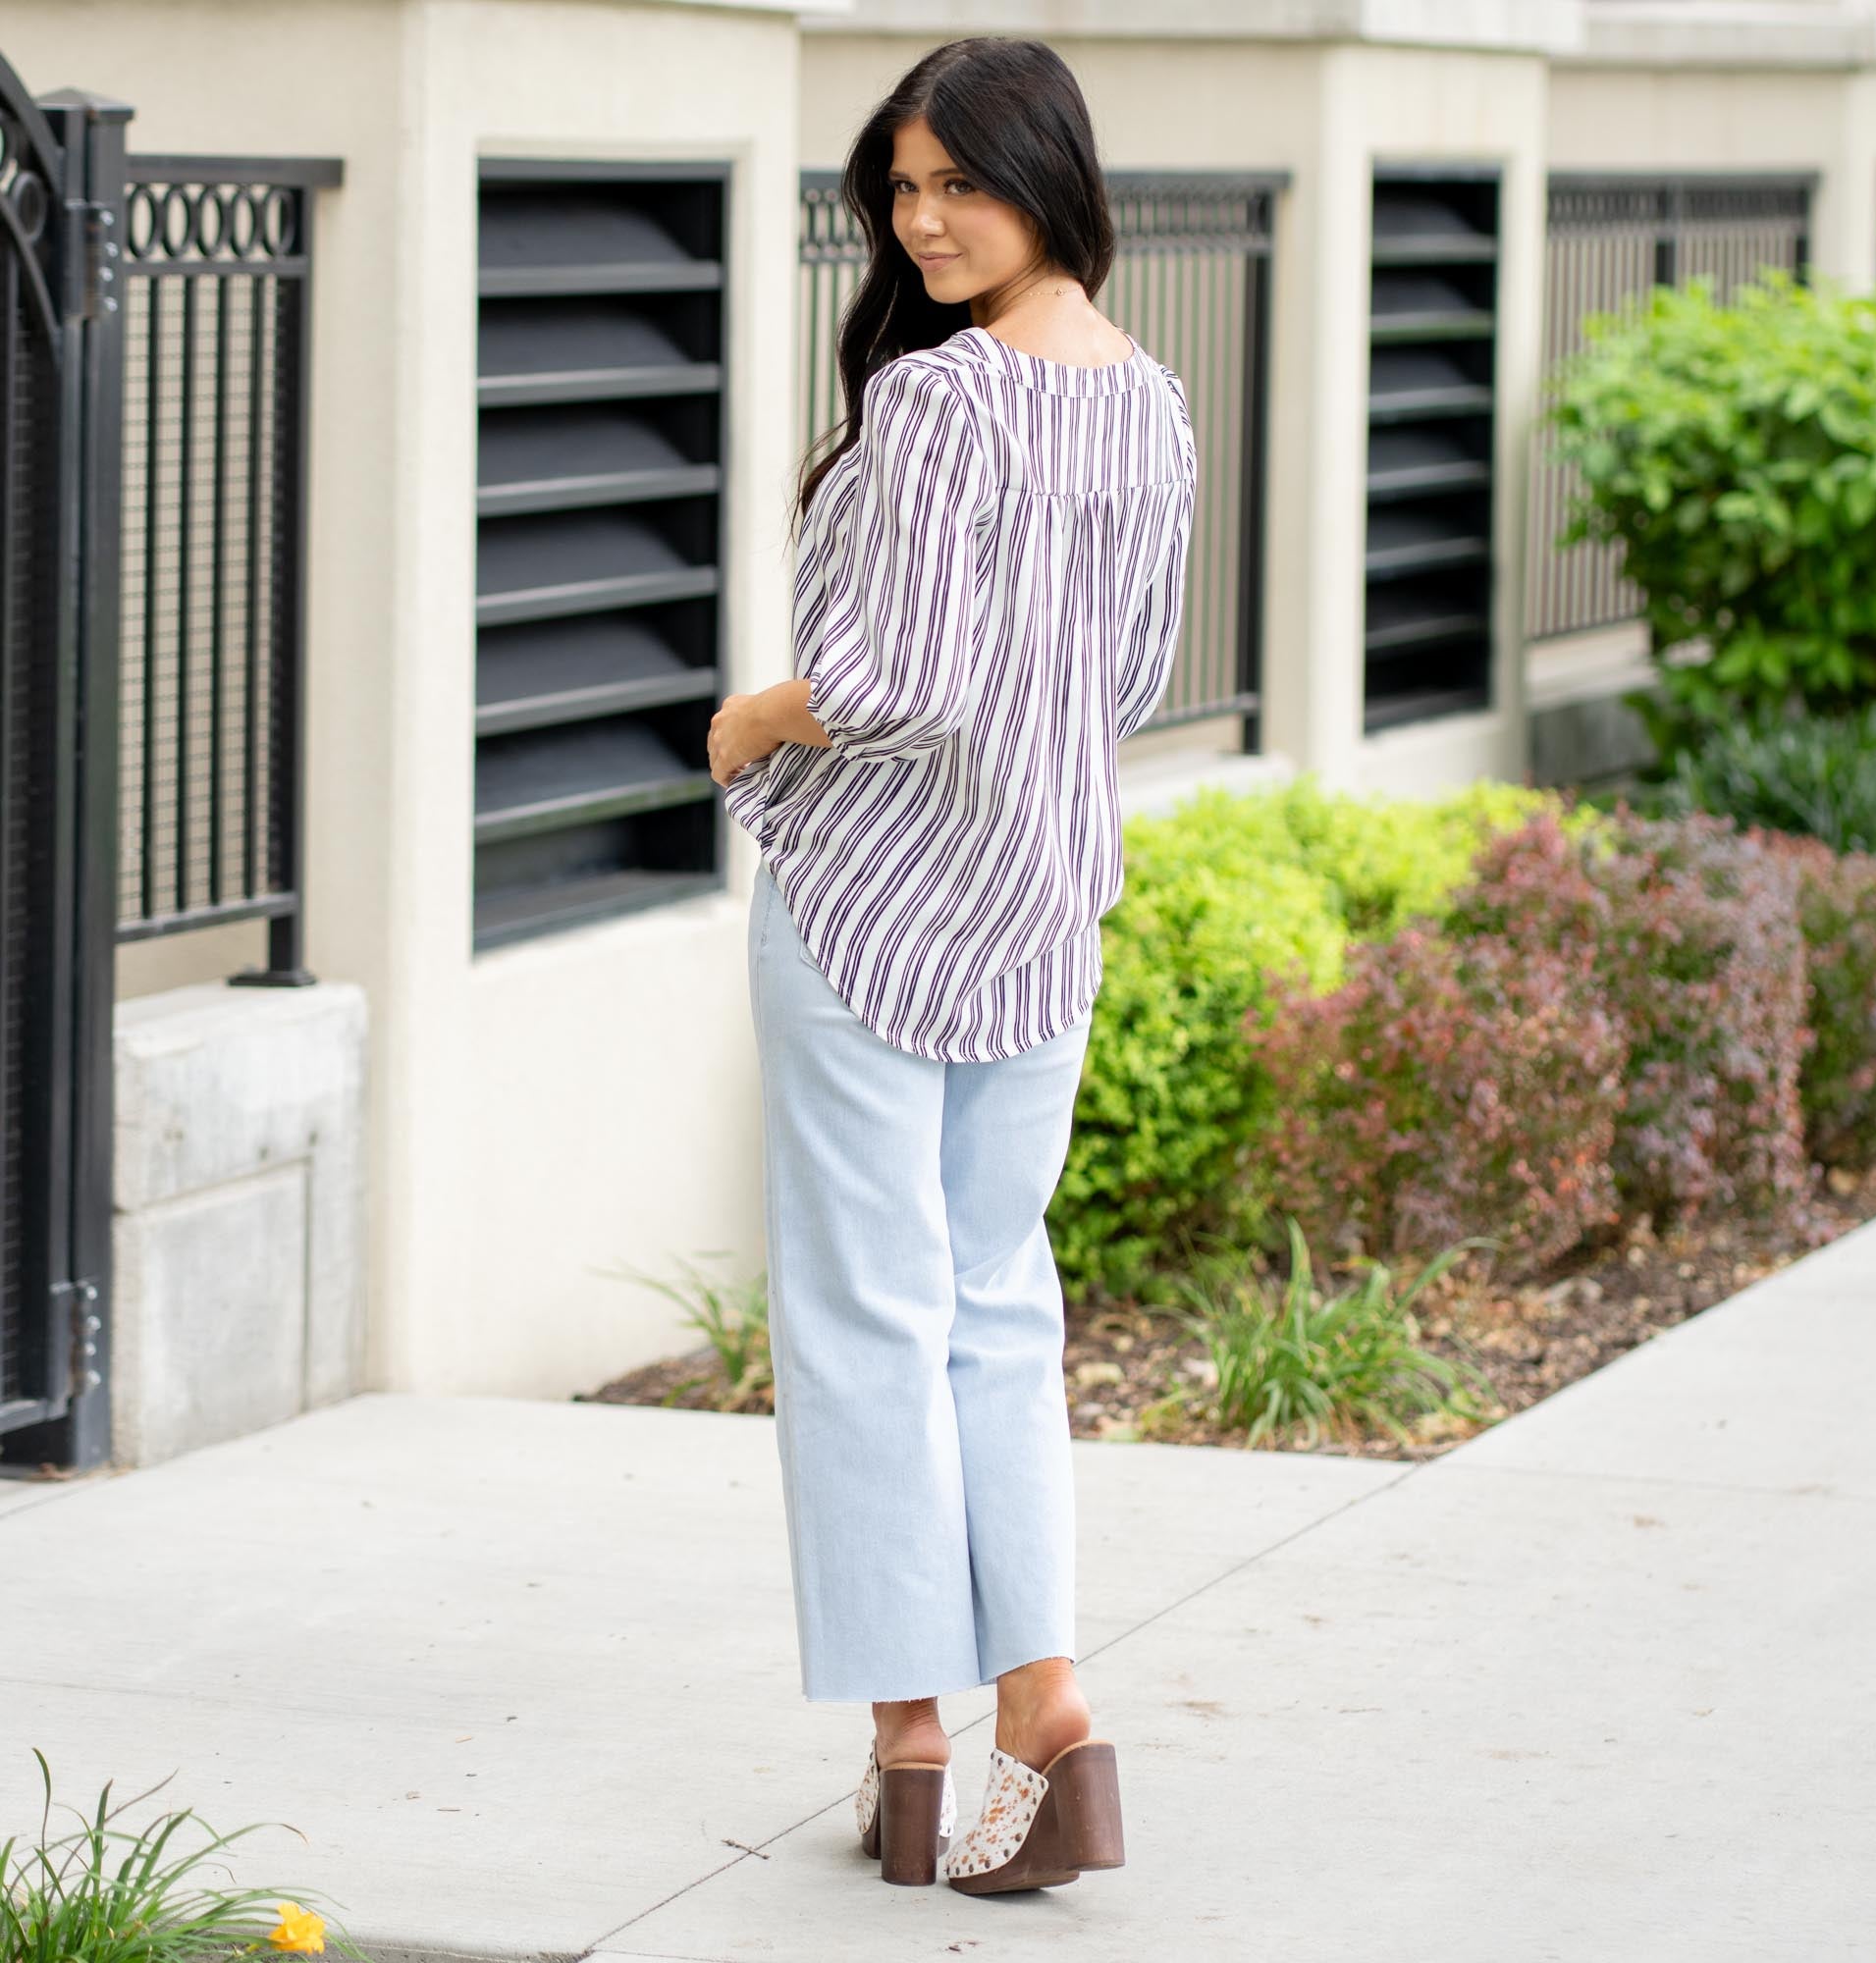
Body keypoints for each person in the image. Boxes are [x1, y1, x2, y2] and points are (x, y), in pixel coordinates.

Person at [706, 34, 1197, 1896]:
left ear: (1047, 179)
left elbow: (891, 680)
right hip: (1039, 913)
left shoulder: (939, 400)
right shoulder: (1151, 404)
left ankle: (912, 1740)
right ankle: (1047, 1711)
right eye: (900, 189)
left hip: (869, 911)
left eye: (958, 184)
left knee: (865, 1321)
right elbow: (1129, 676)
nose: (920, 222)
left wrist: (755, 719)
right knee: (996, 1307)